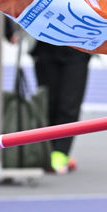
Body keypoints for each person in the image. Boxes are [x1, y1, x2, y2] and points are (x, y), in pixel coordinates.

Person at [30, 40, 92, 174]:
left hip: (78, 47)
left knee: (69, 104)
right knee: (48, 103)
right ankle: (47, 151)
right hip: (45, 46)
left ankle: (60, 153)